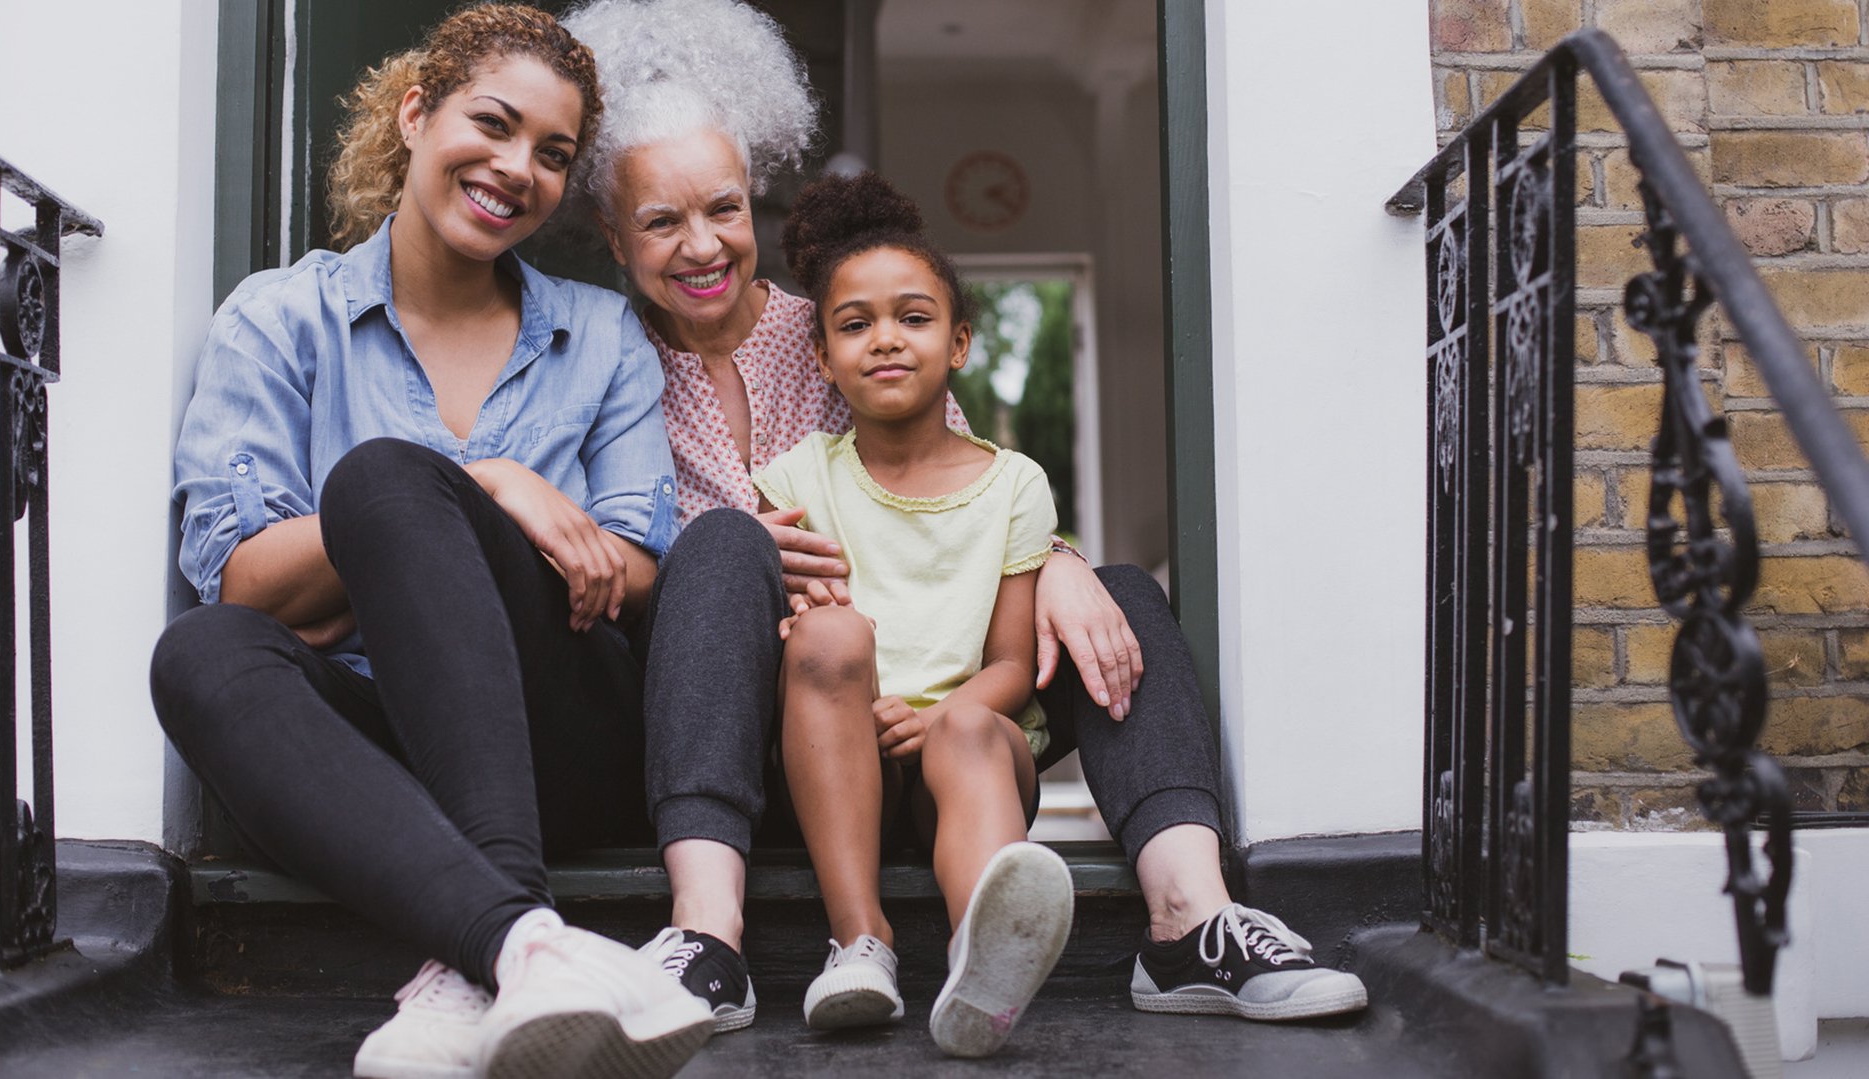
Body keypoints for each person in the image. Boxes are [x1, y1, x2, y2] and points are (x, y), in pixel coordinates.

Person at [562, 0, 1369, 1033]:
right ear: (611, 231)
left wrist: (1064, 560)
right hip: (773, 736)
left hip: (948, 718)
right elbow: (601, 560)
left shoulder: (842, 328)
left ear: (753, 194)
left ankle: (1190, 919)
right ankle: (710, 932)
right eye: (661, 221)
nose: (702, 244)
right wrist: (726, 558)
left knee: (1117, 591)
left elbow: (959, 482)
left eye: (720, 208)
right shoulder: (595, 359)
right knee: (722, 542)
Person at [147, 7, 711, 1078]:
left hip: (562, 739)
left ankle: (494, 924)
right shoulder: (277, 320)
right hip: (363, 760)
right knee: (198, 653)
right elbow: (246, 588)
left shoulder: (598, 335)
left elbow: (635, 578)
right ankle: (519, 945)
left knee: (380, 480)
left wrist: (404, 530)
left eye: (552, 154)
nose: (517, 169)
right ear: (414, 113)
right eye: (492, 124)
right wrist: (489, 485)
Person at [760, 171, 1074, 1056]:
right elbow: (779, 628)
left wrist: (941, 714)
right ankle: (861, 941)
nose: (884, 340)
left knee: (970, 731)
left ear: (960, 341)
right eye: (854, 325)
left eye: (914, 317)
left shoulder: (1014, 483)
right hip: (840, 761)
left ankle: (985, 960)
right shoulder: (796, 479)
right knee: (825, 633)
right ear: (822, 357)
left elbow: (1013, 662)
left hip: (965, 765)